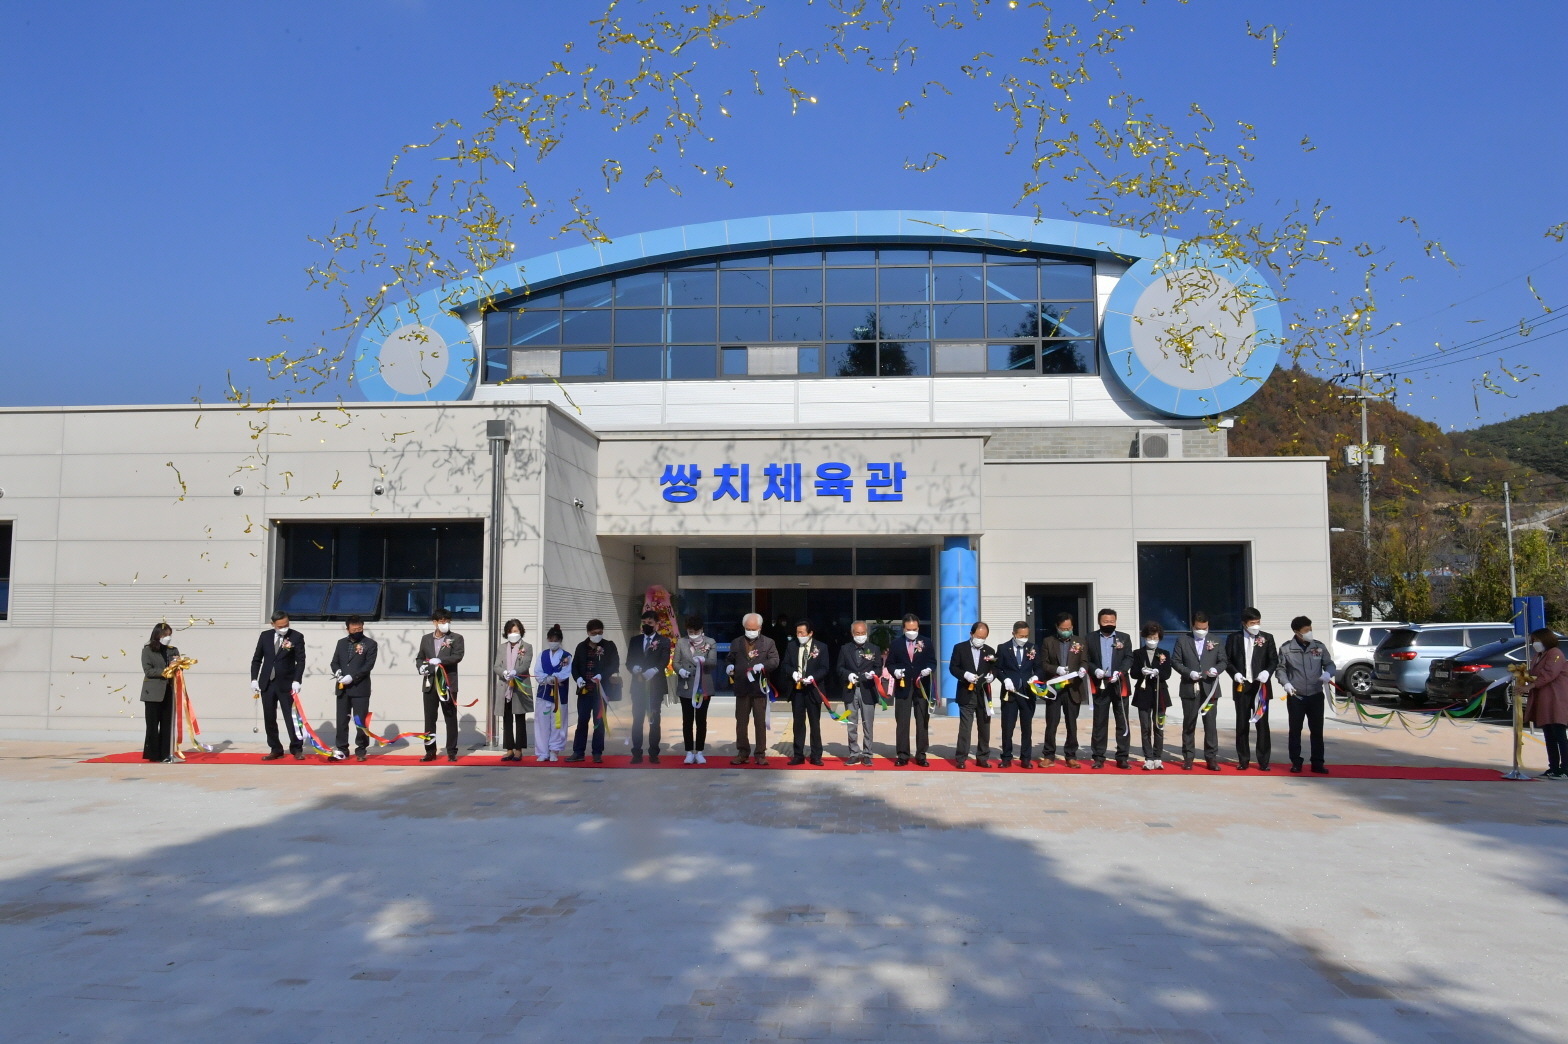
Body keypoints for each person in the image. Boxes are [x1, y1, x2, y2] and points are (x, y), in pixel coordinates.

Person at [1275, 616, 1335, 774]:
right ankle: (1296, 762)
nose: (1309, 633)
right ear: (1297, 632)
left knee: (1317, 731)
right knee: (1295, 731)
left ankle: (1317, 763)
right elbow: (1280, 669)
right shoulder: (1287, 649)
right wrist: (1286, 683)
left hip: (1316, 695)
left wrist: (1328, 673)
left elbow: (1329, 664)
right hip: (1297, 695)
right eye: (1306, 630)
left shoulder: (1318, 647)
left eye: (1310, 629)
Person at [1171, 612, 1227, 771]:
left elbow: (1223, 661)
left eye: (1204, 628)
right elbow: (1176, 661)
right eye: (1198, 628)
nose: (1201, 631)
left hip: (1210, 690)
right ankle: (1188, 757)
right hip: (1190, 688)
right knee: (1189, 723)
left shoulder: (1216, 640)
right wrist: (1189, 673)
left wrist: (1216, 669)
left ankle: (1211, 757)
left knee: (1210, 724)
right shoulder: (1183, 640)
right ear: (1192, 626)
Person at [1225, 608, 1278, 771]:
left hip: (1260, 687)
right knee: (1242, 724)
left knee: (1262, 725)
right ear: (1244, 624)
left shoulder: (1267, 638)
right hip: (1242, 686)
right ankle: (1243, 760)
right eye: (1252, 623)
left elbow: (1273, 660)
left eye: (1258, 622)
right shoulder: (1234, 638)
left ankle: (1264, 761)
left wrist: (1267, 672)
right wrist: (1235, 674)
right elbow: (1227, 660)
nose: (1256, 626)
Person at [250, 611, 305, 761]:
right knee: (269, 717)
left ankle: (297, 748)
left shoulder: (296, 637)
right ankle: (275, 748)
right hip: (267, 682)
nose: (284, 628)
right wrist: (254, 679)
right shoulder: (265, 636)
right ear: (272, 624)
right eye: (280, 626)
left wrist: (297, 680)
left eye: (286, 625)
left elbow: (300, 661)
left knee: (291, 717)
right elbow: (257, 659)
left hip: (286, 683)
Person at [726, 612, 780, 765]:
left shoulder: (768, 643)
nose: (750, 631)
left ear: (760, 628)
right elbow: (729, 659)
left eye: (753, 629)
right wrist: (729, 666)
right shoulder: (736, 642)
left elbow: (775, 660)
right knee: (741, 722)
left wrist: (764, 666)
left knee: (760, 723)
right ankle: (743, 752)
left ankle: (760, 753)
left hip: (759, 688)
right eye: (748, 629)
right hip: (742, 687)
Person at [1037, 612, 1089, 767]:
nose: (1066, 631)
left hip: (1073, 688)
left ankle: (1071, 755)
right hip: (1055, 688)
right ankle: (1049, 754)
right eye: (1063, 628)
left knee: (1071, 723)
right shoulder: (1048, 642)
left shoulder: (1080, 641)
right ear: (1057, 627)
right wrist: (1056, 669)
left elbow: (1085, 661)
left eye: (1069, 628)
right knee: (1051, 723)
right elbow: (1043, 664)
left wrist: (1083, 669)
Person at [885, 612, 936, 766]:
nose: (912, 632)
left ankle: (921, 755)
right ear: (903, 628)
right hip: (903, 687)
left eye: (914, 629)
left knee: (922, 721)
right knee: (902, 722)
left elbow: (933, 662)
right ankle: (902, 755)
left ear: (918, 628)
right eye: (909, 629)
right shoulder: (896, 644)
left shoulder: (926, 642)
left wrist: (929, 669)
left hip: (921, 687)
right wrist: (895, 672)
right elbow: (890, 663)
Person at [1085, 608, 1133, 769]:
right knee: (1100, 722)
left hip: (1119, 684)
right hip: (1100, 684)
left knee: (1122, 721)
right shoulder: (1090, 638)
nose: (1109, 624)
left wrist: (1120, 672)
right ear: (1099, 621)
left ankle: (1122, 757)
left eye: (1112, 621)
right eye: (1106, 621)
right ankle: (1099, 757)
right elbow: (1086, 659)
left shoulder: (1124, 638)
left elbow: (1128, 658)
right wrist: (1095, 670)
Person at [568, 619, 619, 763]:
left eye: (600, 632)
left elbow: (614, 664)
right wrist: (578, 678)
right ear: (588, 633)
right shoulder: (581, 647)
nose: (597, 635)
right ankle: (578, 752)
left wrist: (602, 675)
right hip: (585, 691)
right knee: (582, 721)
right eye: (594, 633)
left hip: (600, 691)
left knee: (599, 722)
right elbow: (574, 666)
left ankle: (597, 752)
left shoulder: (608, 646)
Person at [417, 610, 465, 762]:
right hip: (430, 683)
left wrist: (441, 661)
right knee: (430, 719)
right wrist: (421, 667)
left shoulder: (456, 638)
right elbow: (420, 657)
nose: (445, 624)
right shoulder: (426, 639)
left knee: (450, 717)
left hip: (447, 682)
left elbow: (458, 656)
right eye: (442, 621)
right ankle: (430, 751)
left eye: (447, 621)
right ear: (435, 622)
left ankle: (451, 751)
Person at [626, 609, 671, 764]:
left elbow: (664, 660)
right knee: (637, 719)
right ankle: (636, 752)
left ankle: (653, 752)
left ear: (656, 624)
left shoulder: (663, 641)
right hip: (638, 686)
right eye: (644, 623)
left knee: (654, 719)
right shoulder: (635, 641)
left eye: (650, 623)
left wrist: (655, 670)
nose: (646, 625)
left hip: (655, 686)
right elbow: (629, 661)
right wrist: (633, 668)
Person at [837, 620, 886, 766]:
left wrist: (873, 673)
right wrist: (848, 675)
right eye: (858, 633)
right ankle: (854, 753)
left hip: (867, 690)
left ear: (867, 633)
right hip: (851, 690)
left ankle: (867, 753)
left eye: (863, 633)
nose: (860, 636)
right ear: (853, 634)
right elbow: (839, 668)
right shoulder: (845, 649)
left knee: (868, 724)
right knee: (851, 723)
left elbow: (878, 668)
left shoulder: (874, 648)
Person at [330, 616, 379, 762]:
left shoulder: (370, 644)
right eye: (354, 629)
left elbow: (368, 665)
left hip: (360, 688)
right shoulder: (341, 643)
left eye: (359, 629)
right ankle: (342, 749)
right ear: (348, 629)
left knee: (360, 721)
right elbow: (334, 662)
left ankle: (361, 749)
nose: (357, 631)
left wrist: (353, 677)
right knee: (342, 721)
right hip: (342, 688)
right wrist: (338, 672)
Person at [783, 619, 830, 766]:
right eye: (797, 633)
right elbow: (785, 664)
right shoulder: (792, 646)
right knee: (798, 723)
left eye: (802, 633)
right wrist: (793, 673)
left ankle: (816, 755)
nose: (799, 635)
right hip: (797, 690)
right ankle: (798, 755)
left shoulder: (821, 647)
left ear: (810, 633)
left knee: (814, 723)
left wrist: (813, 677)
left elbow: (824, 668)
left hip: (813, 689)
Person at [950, 622, 996, 770]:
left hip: (983, 694)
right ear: (971, 634)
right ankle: (961, 758)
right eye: (978, 637)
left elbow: (994, 668)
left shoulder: (990, 651)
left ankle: (982, 757)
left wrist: (992, 676)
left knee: (984, 727)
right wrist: (965, 675)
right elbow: (953, 667)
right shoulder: (960, 648)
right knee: (965, 728)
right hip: (966, 692)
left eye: (983, 638)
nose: (980, 640)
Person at [673, 614, 718, 765]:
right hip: (686, 685)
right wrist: (680, 670)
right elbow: (675, 662)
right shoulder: (681, 642)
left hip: (703, 686)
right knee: (687, 720)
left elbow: (713, 662)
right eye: (690, 631)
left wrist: (704, 661)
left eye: (696, 632)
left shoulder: (710, 642)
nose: (693, 634)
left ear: (701, 630)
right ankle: (688, 751)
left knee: (701, 719)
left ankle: (699, 751)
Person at [1525, 629, 1568, 779]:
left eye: (1537, 640)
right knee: (1549, 735)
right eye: (1533, 641)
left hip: (1555, 698)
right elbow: (1534, 673)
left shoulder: (1555, 654)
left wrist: (1531, 685)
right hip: (1544, 699)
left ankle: (1565, 769)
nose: (1534, 643)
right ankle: (1553, 767)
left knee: (1559, 734)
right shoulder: (1538, 655)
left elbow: (1549, 673)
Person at [1130, 622, 1173, 769]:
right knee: (1145, 727)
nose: (1152, 640)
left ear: (1159, 638)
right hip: (1143, 693)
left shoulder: (1164, 653)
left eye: (1155, 638)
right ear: (1144, 637)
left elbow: (1167, 673)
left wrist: (1158, 672)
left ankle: (1157, 757)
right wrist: (1141, 671)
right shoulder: (1137, 653)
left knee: (1159, 726)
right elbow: (1133, 673)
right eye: (1149, 637)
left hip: (1160, 694)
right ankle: (1148, 757)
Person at [996, 621, 1038, 768]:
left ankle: (1026, 758)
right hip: (1010, 693)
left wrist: (1036, 677)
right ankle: (1006, 757)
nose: (1024, 639)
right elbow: (997, 668)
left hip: (1027, 693)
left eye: (1026, 636)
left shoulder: (1032, 648)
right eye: (1021, 636)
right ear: (1014, 634)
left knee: (1026, 727)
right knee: (1008, 727)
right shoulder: (1003, 648)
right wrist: (1005, 679)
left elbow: (1039, 668)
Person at [492, 619, 532, 762]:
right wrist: (504, 672)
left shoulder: (527, 647)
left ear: (521, 631)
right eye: (510, 631)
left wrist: (515, 671)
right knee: (506, 717)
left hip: (519, 686)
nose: (513, 634)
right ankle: (509, 749)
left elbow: (525, 665)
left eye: (515, 631)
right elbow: (496, 666)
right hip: (505, 686)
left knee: (520, 718)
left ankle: (519, 750)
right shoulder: (502, 648)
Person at [533, 624, 573, 762]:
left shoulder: (566, 656)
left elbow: (565, 673)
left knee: (557, 723)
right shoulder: (543, 655)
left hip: (559, 694)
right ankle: (542, 752)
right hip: (544, 693)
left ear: (560, 640)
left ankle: (554, 750)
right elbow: (537, 672)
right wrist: (546, 679)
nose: (553, 642)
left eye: (556, 640)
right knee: (542, 723)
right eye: (551, 639)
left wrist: (555, 678)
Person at [141, 622, 177, 763]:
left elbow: (177, 668)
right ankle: (153, 753)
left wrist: (178, 665)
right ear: (157, 635)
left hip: (168, 691)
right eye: (165, 635)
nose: (168, 638)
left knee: (167, 724)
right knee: (152, 724)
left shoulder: (172, 650)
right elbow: (148, 671)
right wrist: (166, 671)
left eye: (169, 635)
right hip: (152, 692)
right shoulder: (148, 650)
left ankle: (166, 753)